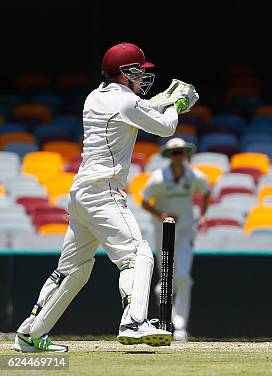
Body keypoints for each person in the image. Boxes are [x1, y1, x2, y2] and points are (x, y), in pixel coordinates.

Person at [13, 42, 199, 352]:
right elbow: (166, 128)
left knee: (73, 270)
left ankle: (30, 333)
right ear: (125, 73)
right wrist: (176, 102)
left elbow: (139, 109)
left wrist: (164, 99)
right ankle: (134, 321)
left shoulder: (94, 97)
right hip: (104, 192)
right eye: (139, 71)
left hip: (81, 192)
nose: (143, 77)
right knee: (138, 254)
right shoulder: (125, 102)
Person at [141, 137, 210, 342]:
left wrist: (203, 214)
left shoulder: (195, 176)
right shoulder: (158, 178)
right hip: (164, 232)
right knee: (168, 278)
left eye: (181, 152)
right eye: (174, 153)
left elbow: (206, 192)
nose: (178, 156)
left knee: (183, 277)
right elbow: (144, 201)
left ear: (186, 155)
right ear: (169, 156)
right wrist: (163, 215)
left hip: (186, 231)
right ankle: (165, 321)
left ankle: (180, 326)